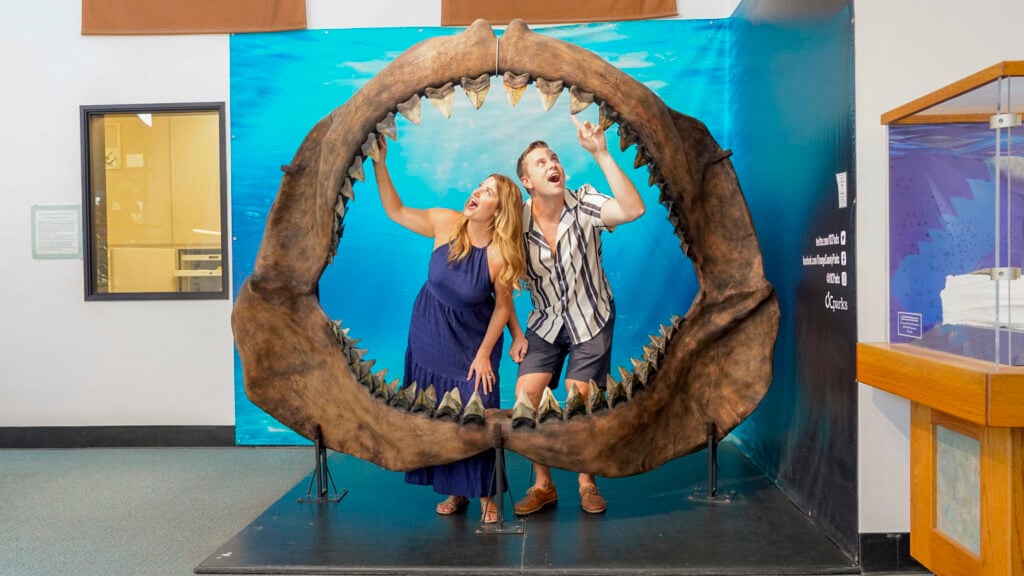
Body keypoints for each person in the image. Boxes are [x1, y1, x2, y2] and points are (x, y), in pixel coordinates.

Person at [371, 136, 526, 524]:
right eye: (480, 184)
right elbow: (395, 210)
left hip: (473, 341)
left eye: (488, 190)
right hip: (428, 333)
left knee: (476, 410)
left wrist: (483, 354)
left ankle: (488, 494)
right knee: (440, 409)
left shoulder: (499, 252)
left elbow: (503, 306)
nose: (477, 190)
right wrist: (379, 163)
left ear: (498, 209)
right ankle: (456, 490)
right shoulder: (444, 222)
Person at [509, 115, 646, 515]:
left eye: (553, 157)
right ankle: (543, 485)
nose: (552, 163)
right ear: (527, 182)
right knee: (526, 401)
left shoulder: (584, 200)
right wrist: (517, 333)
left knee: (577, 401)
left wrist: (601, 152)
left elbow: (633, 209)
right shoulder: (515, 221)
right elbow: (500, 283)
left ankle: (587, 481)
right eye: (540, 162)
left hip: (591, 317)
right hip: (545, 323)